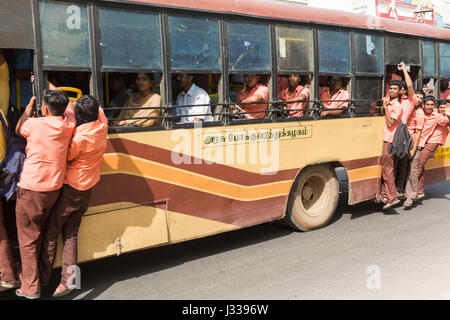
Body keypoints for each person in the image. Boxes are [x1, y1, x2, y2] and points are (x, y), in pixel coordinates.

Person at [40, 95, 108, 297]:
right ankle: (69, 281)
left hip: (71, 189)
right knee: (71, 233)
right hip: (87, 189)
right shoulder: (102, 126)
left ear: (78, 115)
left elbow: (67, 156)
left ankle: (41, 277)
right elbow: (100, 111)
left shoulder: (78, 137)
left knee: (52, 229)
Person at [14, 91, 76, 299]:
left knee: (28, 239)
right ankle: (43, 277)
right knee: (43, 233)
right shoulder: (68, 124)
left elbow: (18, 129)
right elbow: (71, 107)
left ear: (45, 108)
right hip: (54, 188)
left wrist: (27, 109)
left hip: (32, 188)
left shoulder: (35, 124)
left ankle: (30, 288)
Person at [416, 96, 450, 201]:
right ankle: (419, 190)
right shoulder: (434, 114)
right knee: (420, 166)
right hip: (424, 141)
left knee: (419, 165)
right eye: (441, 107)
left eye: (445, 107)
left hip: (433, 142)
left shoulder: (442, 118)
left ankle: (411, 189)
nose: (443, 109)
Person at [394, 62, 418, 197]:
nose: (401, 90)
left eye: (401, 88)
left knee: (402, 164)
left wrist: (404, 70)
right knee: (393, 163)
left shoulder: (410, 101)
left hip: (403, 134)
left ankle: (399, 189)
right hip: (391, 133)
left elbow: (409, 85)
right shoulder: (393, 100)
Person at [380, 79, 403, 210]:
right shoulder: (390, 103)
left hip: (390, 140)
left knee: (388, 170)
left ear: (399, 91)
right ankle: (385, 195)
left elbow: (390, 123)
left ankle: (392, 198)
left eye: (395, 89)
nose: (392, 90)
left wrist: (385, 107)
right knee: (386, 169)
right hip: (386, 139)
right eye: (391, 88)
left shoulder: (397, 106)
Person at [403, 90, 425, 208]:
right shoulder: (407, 107)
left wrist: (413, 150)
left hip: (415, 144)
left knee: (412, 169)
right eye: (417, 97)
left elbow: (418, 134)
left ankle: (410, 196)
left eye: (421, 98)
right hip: (404, 141)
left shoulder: (420, 114)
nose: (419, 100)